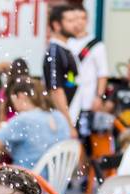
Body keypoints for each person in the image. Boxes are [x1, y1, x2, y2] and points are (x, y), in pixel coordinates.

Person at [0, 77, 71, 170]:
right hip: (59, 177)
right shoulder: (59, 116)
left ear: (20, 96)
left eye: (13, 100)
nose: (14, 106)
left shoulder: (23, 119)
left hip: (29, 176)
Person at [67, 5, 108, 133]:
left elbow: (103, 73)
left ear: (87, 20)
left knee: (85, 136)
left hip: (87, 99)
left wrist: (99, 97)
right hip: (69, 97)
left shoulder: (96, 45)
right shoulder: (66, 42)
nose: (79, 22)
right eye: (75, 18)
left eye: (82, 18)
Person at [43, 4, 79, 133]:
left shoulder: (66, 49)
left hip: (73, 114)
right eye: (70, 21)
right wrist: (68, 124)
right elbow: (56, 90)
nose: (75, 25)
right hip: (61, 121)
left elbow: (70, 81)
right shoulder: (54, 51)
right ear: (57, 25)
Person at [0, 58, 31, 122]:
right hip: (26, 122)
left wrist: (3, 125)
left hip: (10, 122)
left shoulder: (6, 89)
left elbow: (1, 112)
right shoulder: (30, 88)